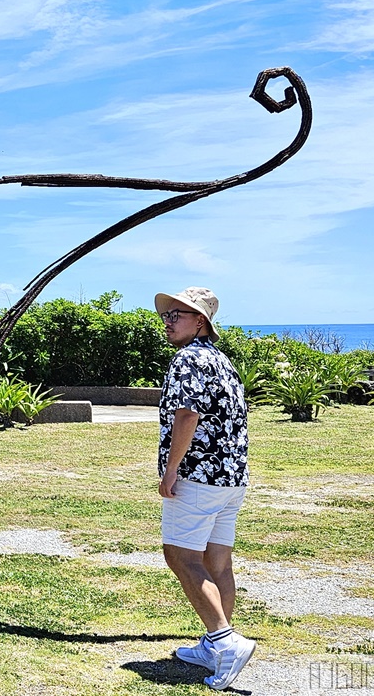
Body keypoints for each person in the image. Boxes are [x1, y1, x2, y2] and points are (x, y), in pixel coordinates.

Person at [155, 286, 254, 691]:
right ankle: (215, 645)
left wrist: (170, 470)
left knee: (180, 555)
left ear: (201, 322)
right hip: (231, 479)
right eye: (167, 315)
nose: (169, 321)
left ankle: (224, 641)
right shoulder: (221, 361)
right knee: (217, 561)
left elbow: (187, 416)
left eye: (178, 314)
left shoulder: (188, 359)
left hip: (198, 476)